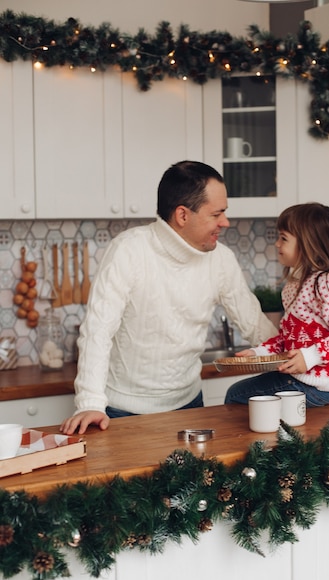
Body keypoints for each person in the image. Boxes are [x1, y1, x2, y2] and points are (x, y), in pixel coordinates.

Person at [60, 160, 276, 435]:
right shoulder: (129, 251)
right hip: (121, 412)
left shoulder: (221, 259)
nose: (226, 222)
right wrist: (89, 402)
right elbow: (97, 330)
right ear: (183, 215)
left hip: (190, 405)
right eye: (216, 214)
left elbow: (256, 325)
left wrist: (314, 374)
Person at [224, 202, 329, 408]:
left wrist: (311, 357)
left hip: (311, 385)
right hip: (308, 383)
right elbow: (289, 339)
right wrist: (258, 354)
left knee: (236, 394)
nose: (277, 244)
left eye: (283, 238)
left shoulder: (325, 282)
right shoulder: (294, 287)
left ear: (308, 244)